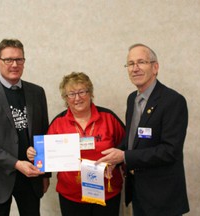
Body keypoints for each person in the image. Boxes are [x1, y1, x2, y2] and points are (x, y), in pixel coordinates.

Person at [96, 44, 190, 216]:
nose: (135, 68)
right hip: (139, 192)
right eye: (130, 64)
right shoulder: (132, 99)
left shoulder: (173, 101)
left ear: (155, 67)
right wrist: (115, 157)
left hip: (163, 196)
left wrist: (124, 156)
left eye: (141, 62)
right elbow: (132, 139)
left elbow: (170, 151)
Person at [0, 38, 50, 216]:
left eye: (19, 59)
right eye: (8, 60)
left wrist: (45, 174)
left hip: (31, 176)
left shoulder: (37, 92)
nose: (14, 64)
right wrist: (16, 164)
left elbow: (44, 133)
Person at [27, 72, 125, 216]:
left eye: (82, 92)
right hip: (71, 196)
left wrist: (119, 162)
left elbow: (126, 147)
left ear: (90, 93)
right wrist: (34, 154)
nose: (77, 98)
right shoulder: (58, 123)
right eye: (71, 94)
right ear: (66, 99)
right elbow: (45, 156)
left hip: (107, 194)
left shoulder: (108, 118)